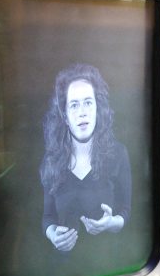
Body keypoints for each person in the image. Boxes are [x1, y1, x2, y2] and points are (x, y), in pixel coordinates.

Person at [40, 63, 131, 254]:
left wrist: (111, 223)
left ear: (98, 108)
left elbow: (127, 211)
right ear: (64, 116)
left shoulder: (118, 154)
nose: (82, 112)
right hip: (64, 272)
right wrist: (53, 235)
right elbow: (47, 217)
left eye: (88, 102)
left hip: (108, 266)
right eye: (74, 105)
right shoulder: (51, 162)